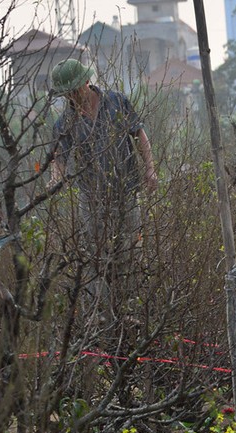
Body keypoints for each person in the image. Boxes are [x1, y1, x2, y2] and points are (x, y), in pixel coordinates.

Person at [48, 58, 157, 297]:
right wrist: (55, 178)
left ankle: (133, 302)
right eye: (66, 93)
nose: (71, 96)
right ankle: (103, 312)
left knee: (131, 250)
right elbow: (60, 157)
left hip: (126, 192)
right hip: (92, 199)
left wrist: (149, 168)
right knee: (97, 258)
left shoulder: (116, 102)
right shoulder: (65, 122)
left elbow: (139, 134)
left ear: (87, 82)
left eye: (74, 90)